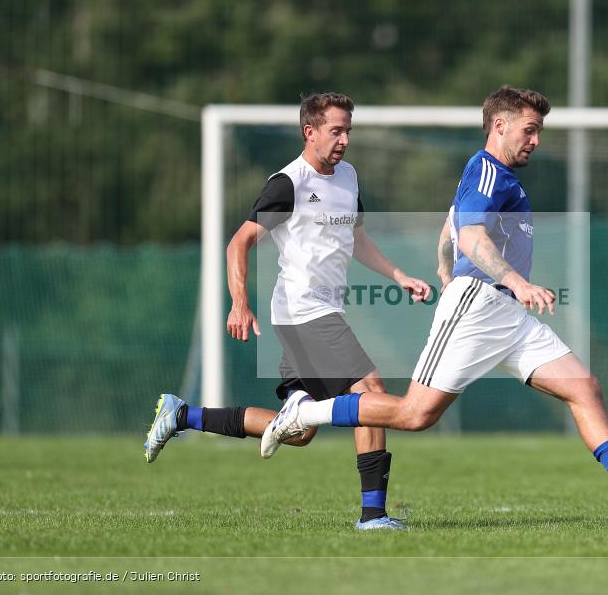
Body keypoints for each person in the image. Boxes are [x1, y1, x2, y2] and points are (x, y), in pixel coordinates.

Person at [261, 86, 608, 507]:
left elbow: (454, 226)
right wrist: (516, 281)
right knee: (416, 414)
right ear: (500, 125)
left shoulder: (496, 176)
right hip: (479, 306)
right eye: (529, 129)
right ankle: (305, 415)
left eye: (538, 131)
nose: (536, 140)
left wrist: (444, 268)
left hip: (507, 313)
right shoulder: (488, 169)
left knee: (584, 388)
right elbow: (470, 235)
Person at [144, 92, 432, 530]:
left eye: (348, 130)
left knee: (300, 432)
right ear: (309, 131)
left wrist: (398, 275)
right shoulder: (288, 183)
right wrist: (239, 302)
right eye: (336, 130)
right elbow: (239, 243)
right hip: (301, 311)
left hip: (316, 313)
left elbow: (356, 239)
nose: (344, 140)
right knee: (369, 390)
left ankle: (181, 415)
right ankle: (373, 514)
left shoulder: (349, 176)